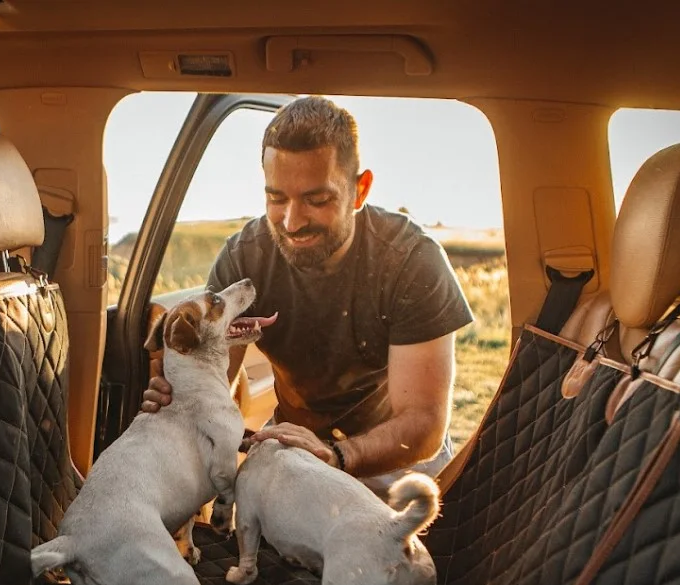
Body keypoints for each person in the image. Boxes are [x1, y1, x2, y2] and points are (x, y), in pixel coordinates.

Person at [142, 95, 473, 495]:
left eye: (317, 200)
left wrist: (337, 455)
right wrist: (178, 393)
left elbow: (423, 424)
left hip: (394, 460)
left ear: (360, 189)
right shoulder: (244, 256)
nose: (292, 222)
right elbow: (214, 380)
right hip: (293, 444)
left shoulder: (411, 260)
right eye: (276, 198)